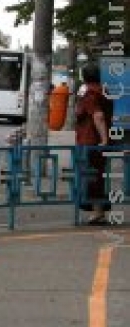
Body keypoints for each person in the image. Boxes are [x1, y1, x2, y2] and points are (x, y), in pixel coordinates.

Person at [75, 62, 113, 225]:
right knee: (97, 176)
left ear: (84, 77)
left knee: (92, 177)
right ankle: (99, 212)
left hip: (90, 142)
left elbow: (98, 116)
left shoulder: (90, 94)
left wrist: (103, 139)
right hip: (96, 142)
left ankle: (98, 212)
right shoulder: (104, 91)